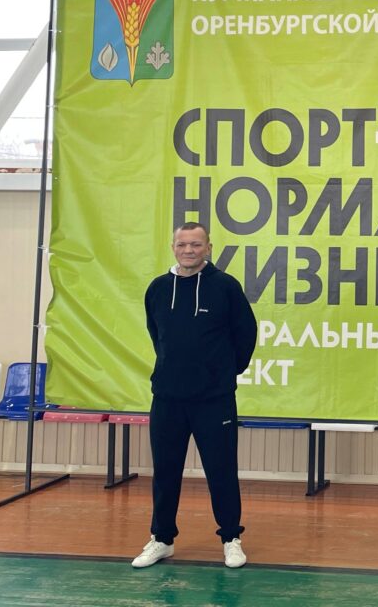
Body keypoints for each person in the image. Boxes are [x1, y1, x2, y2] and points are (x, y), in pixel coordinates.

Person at [132, 222, 257, 569]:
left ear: (208, 248)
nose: (189, 250)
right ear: (173, 247)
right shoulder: (158, 288)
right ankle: (162, 539)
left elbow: (245, 333)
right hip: (167, 397)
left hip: (214, 399)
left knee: (221, 470)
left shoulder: (225, 286)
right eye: (183, 244)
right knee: (165, 471)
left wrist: (222, 372)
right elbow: (157, 334)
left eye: (196, 244)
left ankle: (231, 538)